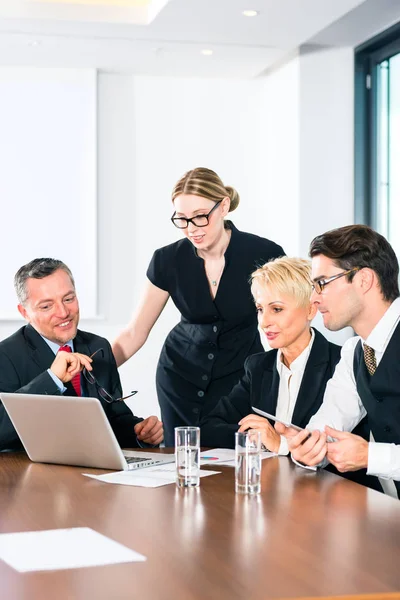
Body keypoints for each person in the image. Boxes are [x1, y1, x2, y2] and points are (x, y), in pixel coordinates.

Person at [113, 167, 284, 446]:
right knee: (181, 463)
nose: (192, 229)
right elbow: (135, 332)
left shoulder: (265, 254)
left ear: (224, 206)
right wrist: (89, 376)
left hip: (241, 380)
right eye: (182, 219)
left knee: (236, 464)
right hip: (179, 376)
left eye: (201, 217)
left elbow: (287, 318)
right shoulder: (167, 259)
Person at [276, 225, 400, 498]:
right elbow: (326, 428)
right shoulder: (355, 352)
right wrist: (305, 448)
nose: (314, 298)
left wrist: (371, 456)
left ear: (364, 280)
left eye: (322, 283)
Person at [0, 258, 163, 452]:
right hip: (32, 474)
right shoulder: (6, 355)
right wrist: (52, 379)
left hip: (94, 471)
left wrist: (138, 432)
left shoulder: (98, 346)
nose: (63, 313)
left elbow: (114, 418)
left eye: (68, 299)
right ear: (24, 312)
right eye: (46, 306)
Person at [200, 257, 341, 452]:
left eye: (277, 309)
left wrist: (278, 442)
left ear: (310, 310)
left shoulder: (341, 363)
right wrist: (257, 437)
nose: (264, 321)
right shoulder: (258, 366)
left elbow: (341, 447)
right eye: (260, 309)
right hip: (271, 479)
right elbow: (208, 428)